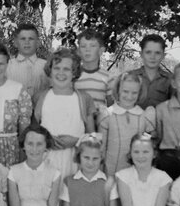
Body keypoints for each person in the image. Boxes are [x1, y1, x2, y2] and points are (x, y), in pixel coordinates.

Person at [32, 48, 97, 180]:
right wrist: (47, 139)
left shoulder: (84, 99)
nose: (61, 73)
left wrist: (77, 141)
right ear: (50, 71)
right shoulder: (40, 97)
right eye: (57, 68)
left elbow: (93, 137)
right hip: (46, 160)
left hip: (74, 161)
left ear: (74, 73)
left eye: (66, 69)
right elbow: (33, 131)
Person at [99, 71, 156, 177]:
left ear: (139, 93)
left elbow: (150, 147)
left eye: (134, 93)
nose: (129, 96)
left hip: (136, 175)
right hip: (111, 172)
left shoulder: (144, 116)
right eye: (125, 91)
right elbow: (101, 148)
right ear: (118, 90)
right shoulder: (108, 115)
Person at [123, 34, 173, 110]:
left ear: (163, 55)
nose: (152, 57)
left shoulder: (170, 80)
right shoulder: (129, 76)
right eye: (148, 52)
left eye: (157, 53)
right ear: (141, 54)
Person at [5, 22, 49, 97]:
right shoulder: (7, 67)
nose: (27, 42)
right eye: (23, 39)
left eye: (31, 39)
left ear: (38, 43)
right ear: (16, 43)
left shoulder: (46, 66)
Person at [74, 28, 112, 109]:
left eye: (92, 46)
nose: (87, 49)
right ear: (78, 51)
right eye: (83, 46)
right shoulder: (72, 76)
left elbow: (112, 108)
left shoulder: (109, 78)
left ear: (101, 50)